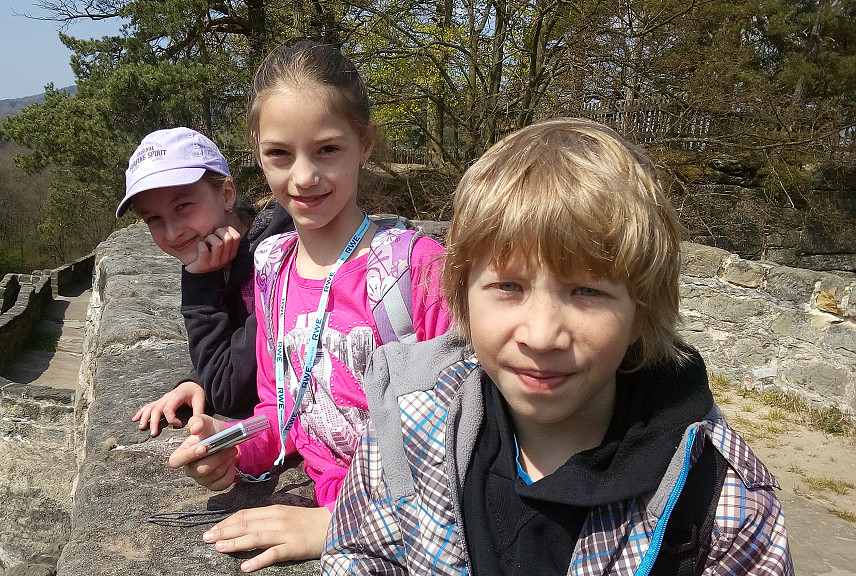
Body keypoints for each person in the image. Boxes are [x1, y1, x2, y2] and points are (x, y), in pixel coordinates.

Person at [322, 118, 793, 575]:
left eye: (587, 291)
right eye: (508, 286)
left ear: (641, 312)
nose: (542, 335)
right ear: (462, 296)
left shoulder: (722, 502)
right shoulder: (406, 421)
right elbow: (360, 553)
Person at [168, 40, 451, 572]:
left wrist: (337, 524)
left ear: (365, 143)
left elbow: (462, 443)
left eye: (327, 150)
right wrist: (232, 446)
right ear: (257, 151)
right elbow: (283, 410)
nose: (302, 177)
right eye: (280, 154)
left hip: (400, 520)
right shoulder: (272, 267)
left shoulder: (416, 271)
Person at [117, 127, 294, 432]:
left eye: (183, 206)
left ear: (226, 194)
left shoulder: (282, 257)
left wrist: (199, 285)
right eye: (154, 218)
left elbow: (228, 391)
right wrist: (196, 379)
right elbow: (239, 346)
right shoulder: (224, 253)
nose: (173, 232)